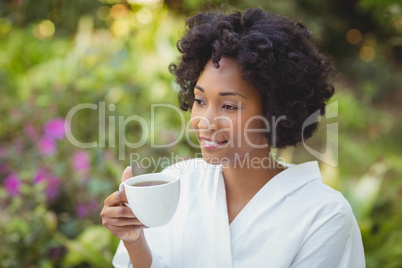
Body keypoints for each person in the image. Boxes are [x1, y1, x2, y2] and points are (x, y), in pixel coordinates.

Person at [101, 7, 365, 268]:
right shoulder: (178, 184)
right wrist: (134, 240)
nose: (204, 121)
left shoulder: (323, 216)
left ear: (276, 112)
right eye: (200, 100)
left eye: (229, 106)